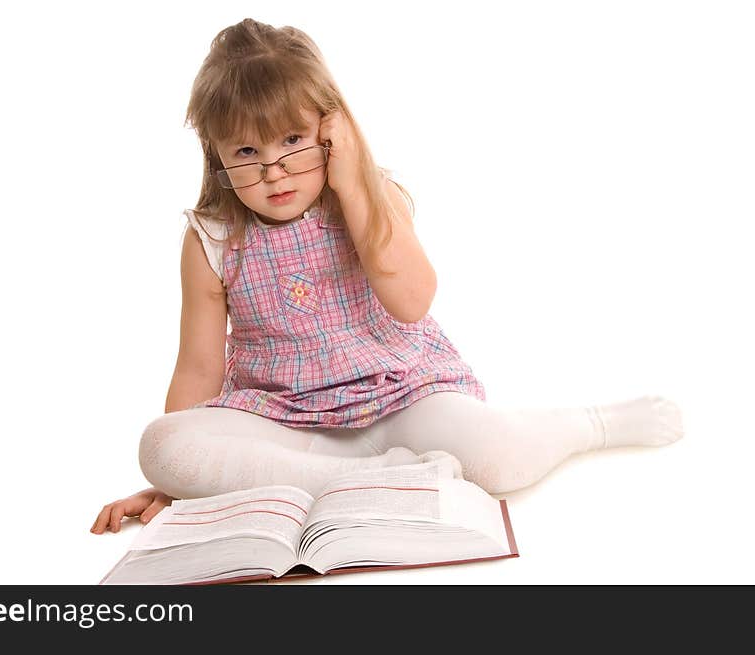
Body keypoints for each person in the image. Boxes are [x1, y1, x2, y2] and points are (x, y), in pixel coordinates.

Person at [91, 18, 683, 534]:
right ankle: (377, 476)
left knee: (500, 460)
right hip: (284, 417)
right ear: (213, 151)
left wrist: (353, 184)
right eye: (245, 152)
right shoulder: (213, 238)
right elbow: (199, 368)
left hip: (400, 395)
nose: (274, 171)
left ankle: (590, 424)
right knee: (163, 444)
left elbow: (412, 301)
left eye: (293, 140)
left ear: (331, 129)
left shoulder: (371, 198)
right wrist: (173, 486)